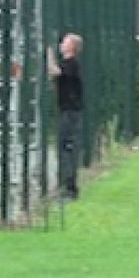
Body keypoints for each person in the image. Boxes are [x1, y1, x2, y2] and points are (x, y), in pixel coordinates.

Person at [47, 33, 83, 200]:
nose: (61, 44)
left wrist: (49, 55)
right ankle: (67, 185)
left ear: (71, 47)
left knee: (67, 148)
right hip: (66, 110)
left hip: (70, 112)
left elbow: (55, 72)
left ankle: (71, 188)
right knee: (63, 147)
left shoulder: (72, 64)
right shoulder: (67, 64)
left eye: (64, 42)